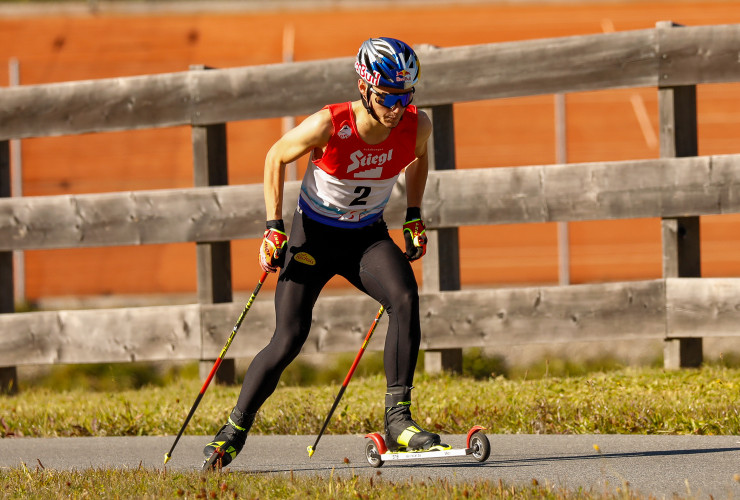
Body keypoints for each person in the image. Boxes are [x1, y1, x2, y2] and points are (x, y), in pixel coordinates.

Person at [203, 37, 443, 469]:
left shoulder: (416, 124)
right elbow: (275, 157)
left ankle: (398, 419)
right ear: (365, 88)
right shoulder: (328, 125)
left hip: (365, 237)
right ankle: (234, 429)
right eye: (388, 97)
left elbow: (418, 157)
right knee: (289, 336)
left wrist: (413, 215)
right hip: (313, 238)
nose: (397, 107)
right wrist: (272, 227)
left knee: (405, 298)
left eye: (406, 96)